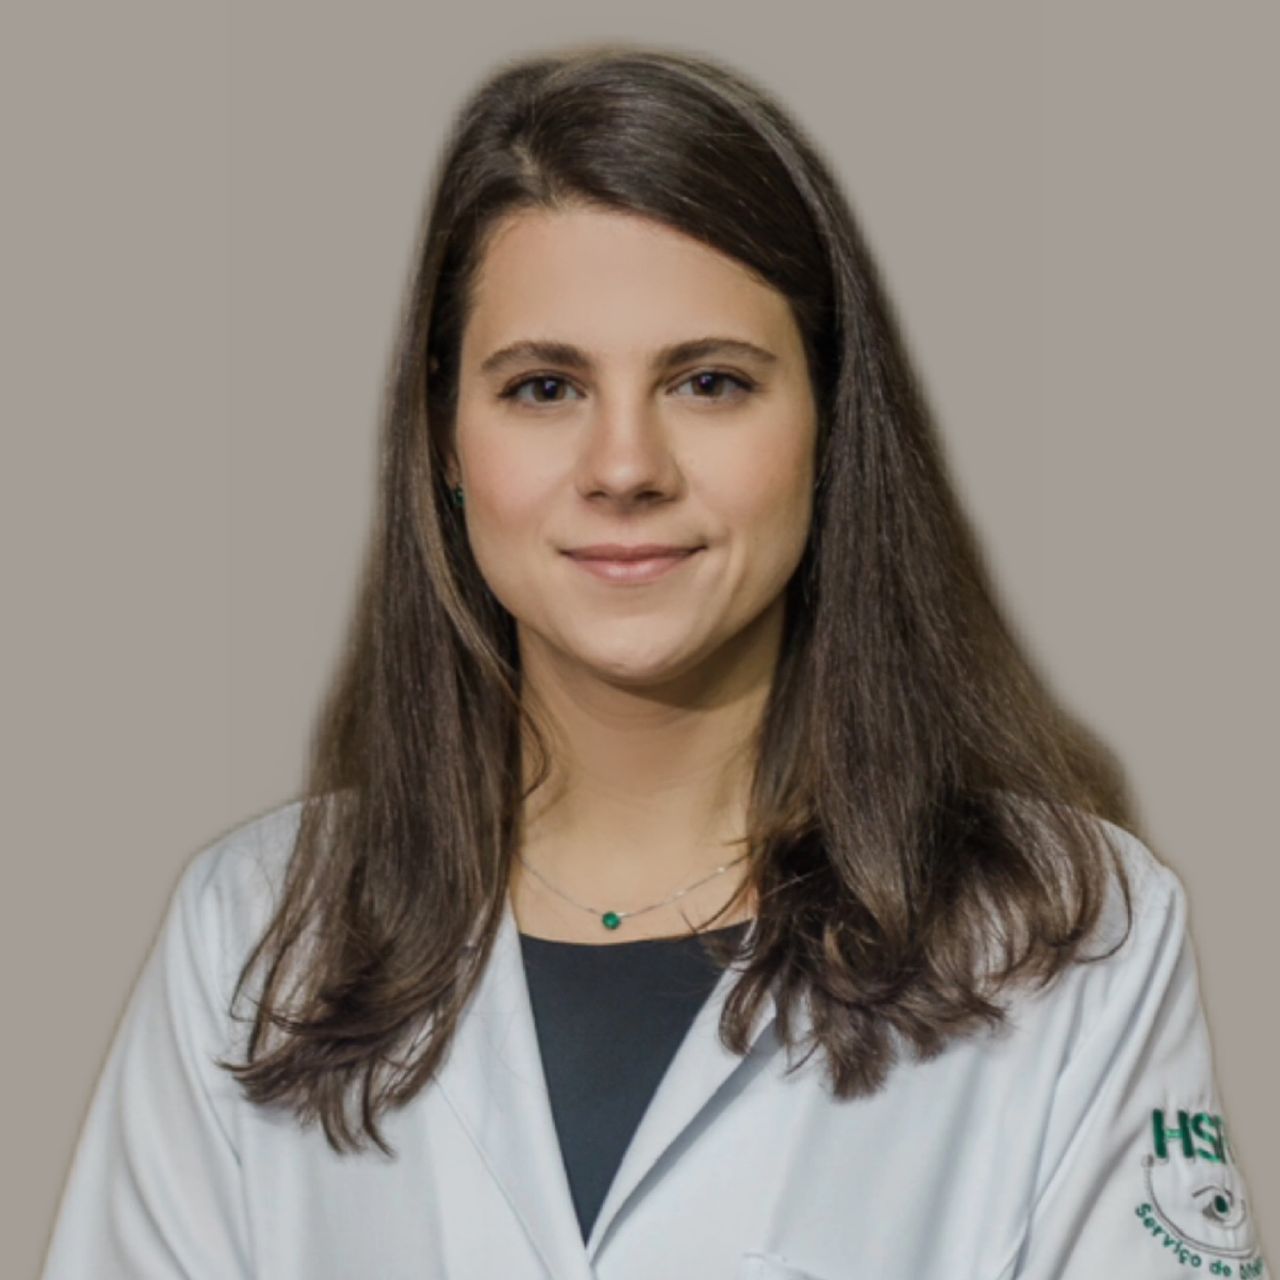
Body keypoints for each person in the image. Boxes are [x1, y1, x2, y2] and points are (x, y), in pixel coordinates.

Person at [42, 41, 1268, 1280]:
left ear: (828, 423)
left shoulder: (1065, 935)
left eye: (708, 381)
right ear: (445, 441)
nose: (624, 467)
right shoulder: (251, 934)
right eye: (543, 388)